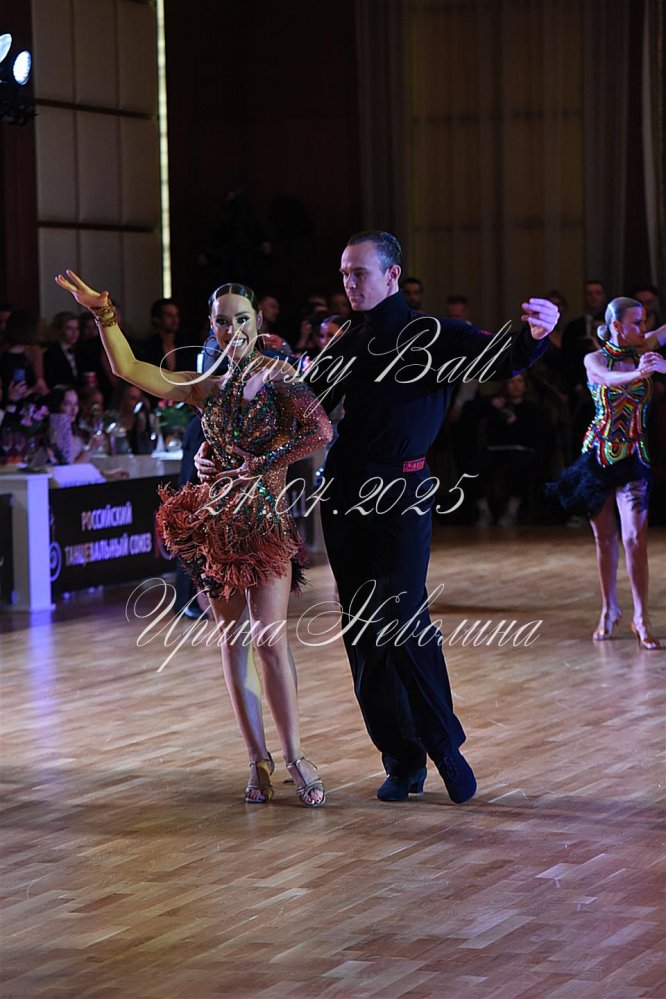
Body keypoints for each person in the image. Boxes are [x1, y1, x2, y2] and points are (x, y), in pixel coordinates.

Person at [211, 230, 558, 804]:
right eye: (344, 273)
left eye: (360, 272)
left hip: (403, 492)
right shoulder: (346, 339)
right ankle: (401, 760)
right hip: (345, 495)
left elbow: (497, 354)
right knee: (364, 631)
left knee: (402, 615)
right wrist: (244, 414)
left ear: (392, 275)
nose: (349, 282)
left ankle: (444, 747)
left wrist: (535, 334)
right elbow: (304, 409)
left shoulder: (436, 333)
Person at [55, 268, 333, 807]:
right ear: (212, 326)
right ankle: (256, 759)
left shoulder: (279, 376)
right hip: (217, 528)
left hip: (265, 525)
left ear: (258, 322)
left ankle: (296, 756)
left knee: (270, 640)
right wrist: (103, 314)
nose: (234, 330)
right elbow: (129, 369)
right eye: (224, 322)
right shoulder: (205, 386)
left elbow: (320, 430)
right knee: (232, 642)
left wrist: (260, 464)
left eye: (243, 320)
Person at [548, 297, 665, 650]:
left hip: (634, 455)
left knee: (635, 538)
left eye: (645, 321)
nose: (643, 328)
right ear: (616, 326)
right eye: (637, 322)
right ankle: (609, 608)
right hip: (599, 455)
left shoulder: (645, 349)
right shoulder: (594, 359)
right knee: (605, 539)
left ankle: (641, 616)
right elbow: (609, 379)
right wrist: (641, 373)